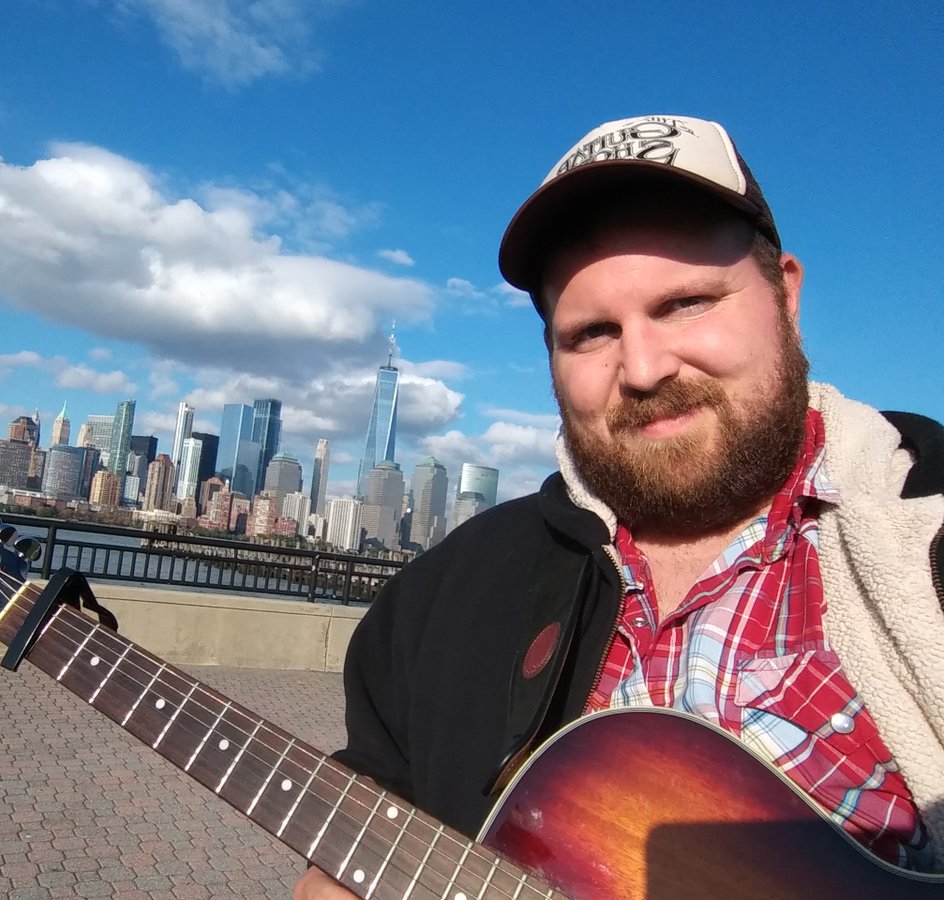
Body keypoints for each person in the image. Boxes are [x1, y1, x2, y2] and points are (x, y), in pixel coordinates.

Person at [294, 114, 944, 897]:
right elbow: (383, 781)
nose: (642, 368)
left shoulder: (923, 536)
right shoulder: (440, 597)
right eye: (592, 332)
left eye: (685, 304)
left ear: (787, 295)